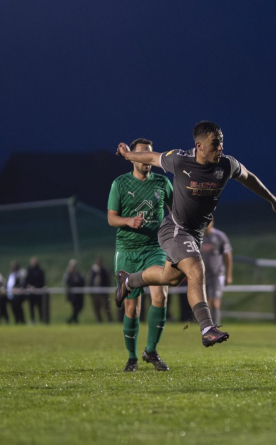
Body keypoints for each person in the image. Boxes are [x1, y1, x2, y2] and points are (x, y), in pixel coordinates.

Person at [114, 122, 276, 348]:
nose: (220, 148)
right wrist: (128, 154)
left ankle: (128, 280)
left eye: (222, 143)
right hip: (175, 229)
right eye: (215, 144)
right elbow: (151, 157)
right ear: (199, 146)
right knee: (196, 268)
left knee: (170, 278)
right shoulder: (179, 160)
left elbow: (249, 178)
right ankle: (207, 328)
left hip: (195, 234)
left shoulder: (227, 165)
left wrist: (273, 201)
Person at [108, 138, 174, 371]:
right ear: (133, 157)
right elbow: (111, 218)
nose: (147, 158)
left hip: (154, 249)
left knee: (161, 296)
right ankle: (132, 357)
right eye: (142, 154)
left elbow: (177, 211)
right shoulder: (119, 183)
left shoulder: (163, 182)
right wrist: (128, 221)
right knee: (131, 307)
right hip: (127, 250)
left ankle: (152, 351)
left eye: (150, 153)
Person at [201, 218, 232, 327]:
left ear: (212, 222)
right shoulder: (197, 236)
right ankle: (208, 327)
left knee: (214, 301)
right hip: (202, 276)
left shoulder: (219, 236)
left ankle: (216, 326)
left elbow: (228, 255)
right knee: (206, 303)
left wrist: (228, 275)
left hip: (216, 274)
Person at [87, 256, 113, 324]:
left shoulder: (104, 271)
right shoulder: (93, 271)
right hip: (95, 293)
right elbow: (90, 281)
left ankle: (110, 321)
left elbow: (107, 281)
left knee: (106, 308)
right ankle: (99, 321)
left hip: (103, 293)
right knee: (96, 308)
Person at [25, 256, 46, 324]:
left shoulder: (40, 271)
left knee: (40, 306)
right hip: (31, 292)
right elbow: (26, 281)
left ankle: (41, 320)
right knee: (31, 307)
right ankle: (32, 320)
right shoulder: (29, 271)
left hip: (39, 291)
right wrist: (30, 287)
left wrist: (43, 287)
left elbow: (42, 281)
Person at [63, 259, 85, 324]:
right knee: (75, 308)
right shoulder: (67, 274)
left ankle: (71, 319)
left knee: (80, 307)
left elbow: (82, 282)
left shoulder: (79, 274)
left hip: (79, 295)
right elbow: (66, 283)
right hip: (72, 295)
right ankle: (74, 320)